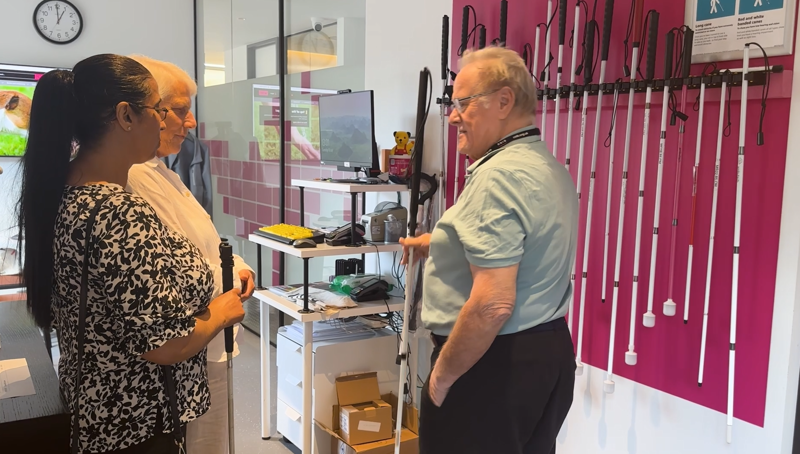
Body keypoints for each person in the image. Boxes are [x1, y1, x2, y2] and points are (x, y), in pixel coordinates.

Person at [16, 54, 245, 454]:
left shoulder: (67, 190)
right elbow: (163, 344)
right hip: (135, 421)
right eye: (158, 110)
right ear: (125, 115)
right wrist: (223, 312)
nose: (164, 121)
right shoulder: (118, 210)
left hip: (97, 407)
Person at [401, 46, 578, 454]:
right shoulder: (544, 166)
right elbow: (525, 244)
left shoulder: (497, 178)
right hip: (546, 355)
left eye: (463, 103)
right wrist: (438, 243)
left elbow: (492, 304)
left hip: (489, 365)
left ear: (503, 101)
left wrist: (441, 378)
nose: (452, 115)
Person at [126, 55, 255, 454]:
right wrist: (231, 280)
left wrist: (239, 268)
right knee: (203, 443)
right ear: (147, 112)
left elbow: (205, 241)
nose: (191, 122)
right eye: (180, 110)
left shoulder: (162, 169)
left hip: (210, 328)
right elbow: (184, 272)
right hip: (191, 338)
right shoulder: (134, 177)